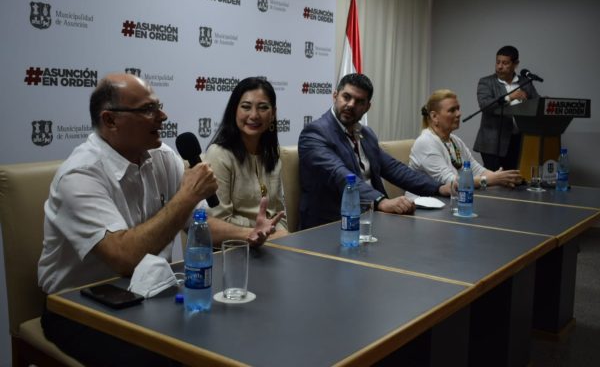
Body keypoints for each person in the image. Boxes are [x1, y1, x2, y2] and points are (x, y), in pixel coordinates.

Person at [38, 73, 283, 366]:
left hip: (148, 294)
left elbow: (199, 221)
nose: (162, 116)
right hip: (78, 308)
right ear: (110, 120)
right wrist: (186, 196)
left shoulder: (162, 157)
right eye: (148, 109)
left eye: (159, 106)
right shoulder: (80, 175)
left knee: (229, 334)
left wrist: (248, 234)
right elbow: (124, 257)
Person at [298, 73, 451, 230]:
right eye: (346, 97)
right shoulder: (315, 133)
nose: (351, 105)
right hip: (332, 225)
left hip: (371, 219)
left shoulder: (366, 134)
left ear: (367, 107)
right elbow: (339, 175)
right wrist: (380, 201)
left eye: (359, 101)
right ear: (335, 96)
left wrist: (438, 188)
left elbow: (394, 169)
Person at [205, 77, 287, 238]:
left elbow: (279, 214)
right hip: (234, 246)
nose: (254, 115)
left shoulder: (271, 153)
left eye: (263, 108)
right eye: (246, 107)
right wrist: (261, 230)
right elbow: (218, 221)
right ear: (234, 110)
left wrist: (280, 234)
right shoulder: (219, 154)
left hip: (271, 242)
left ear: (273, 114)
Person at [410, 89, 522, 188]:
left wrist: (503, 178)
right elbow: (451, 181)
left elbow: (477, 170)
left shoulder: (455, 141)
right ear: (434, 116)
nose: (459, 114)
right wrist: (491, 180)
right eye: (452, 110)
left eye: (458, 109)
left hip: (450, 200)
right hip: (422, 203)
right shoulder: (425, 142)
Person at [473, 45, 540, 171]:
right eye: (498, 62)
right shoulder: (487, 82)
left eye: (505, 63)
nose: (499, 66)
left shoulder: (525, 82)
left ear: (515, 64)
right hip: (493, 143)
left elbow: (536, 105)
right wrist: (509, 97)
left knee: (514, 178)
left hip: (518, 140)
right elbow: (485, 105)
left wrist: (540, 102)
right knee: (495, 179)